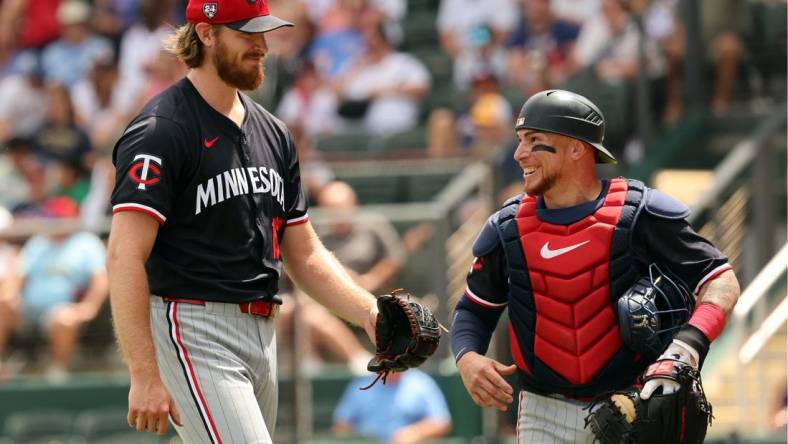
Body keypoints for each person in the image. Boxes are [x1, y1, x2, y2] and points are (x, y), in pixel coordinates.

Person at [106, 1, 380, 442]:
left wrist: (368, 311)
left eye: (264, 32)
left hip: (263, 330)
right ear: (207, 33)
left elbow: (304, 254)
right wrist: (144, 373)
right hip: (191, 326)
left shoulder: (274, 132)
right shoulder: (162, 129)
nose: (261, 45)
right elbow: (123, 255)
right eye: (246, 32)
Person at [450, 89, 741, 443]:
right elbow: (473, 310)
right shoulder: (507, 226)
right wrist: (467, 358)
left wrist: (688, 346)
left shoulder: (640, 213)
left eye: (534, 140)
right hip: (543, 415)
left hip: (631, 408)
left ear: (576, 148)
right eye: (520, 140)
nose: (518, 153)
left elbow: (721, 282)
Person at [0, 196, 108, 383]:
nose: (57, 223)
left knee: (62, 318)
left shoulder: (86, 243)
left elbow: (101, 280)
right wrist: (10, 294)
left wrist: (89, 307)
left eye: (61, 218)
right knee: (3, 305)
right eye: (54, 218)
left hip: (61, 309)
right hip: (28, 309)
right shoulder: (39, 242)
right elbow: (19, 275)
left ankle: (57, 372)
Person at [333, 369, 452, 444]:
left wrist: (415, 433)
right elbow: (341, 425)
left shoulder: (421, 383)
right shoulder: (361, 385)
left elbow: (442, 422)